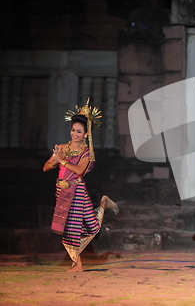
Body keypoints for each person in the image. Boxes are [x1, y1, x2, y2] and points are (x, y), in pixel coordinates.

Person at [43, 98, 118, 272]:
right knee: (86, 227)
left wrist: (62, 161)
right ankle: (103, 204)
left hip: (77, 191)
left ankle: (77, 265)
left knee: (75, 228)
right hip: (62, 191)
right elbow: (45, 167)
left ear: (85, 134)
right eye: (73, 130)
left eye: (79, 131)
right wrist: (56, 160)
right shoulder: (61, 148)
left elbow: (79, 171)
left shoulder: (86, 153)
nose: (74, 134)